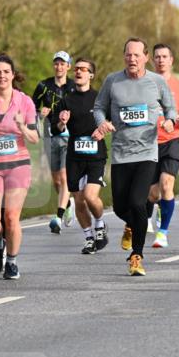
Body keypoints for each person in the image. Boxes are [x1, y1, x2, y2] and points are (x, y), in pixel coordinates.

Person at [92, 37, 177, 276]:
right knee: (121, 207)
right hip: (121, 153)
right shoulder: (113, 81)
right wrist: (102, 123)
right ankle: (132, 224)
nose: (132, 59)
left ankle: (136, 256)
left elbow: (170, 108)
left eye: (137, 55)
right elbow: (99, 107)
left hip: (147, 152)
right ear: (124, 57)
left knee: (138, 203)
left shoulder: (157, 81)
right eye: (128, 54)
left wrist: (170, 121)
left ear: (146, 57)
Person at [0, 55, 40, 279]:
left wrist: (22, 127)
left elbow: (35, 138)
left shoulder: (25, 101)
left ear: (13, 75)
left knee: (11, 217)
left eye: (6, 72)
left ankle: (12, 262)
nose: (1, 76)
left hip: (17, 165)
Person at [58, 57, 109, 254]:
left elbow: (112, 121)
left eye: (83, 69)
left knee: (90, 196)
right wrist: (62, 123)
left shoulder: (100, 99)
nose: (78, 72)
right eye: (76, 69)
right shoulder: (66, 100)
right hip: (75, 157)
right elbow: (55, 127)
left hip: (96, 156)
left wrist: (102, 130)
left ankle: (100, 224)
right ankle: (89, 238)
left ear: (91, 75)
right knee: (79, 201)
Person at [146, 43, 179, 249]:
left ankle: (162, 232)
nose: (161, 60)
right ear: (152, 60)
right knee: (152, 194)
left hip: (171, 141)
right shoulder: (144, 84)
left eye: (165, 56)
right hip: (148, 143)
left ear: (171, 60)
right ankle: (154, 210)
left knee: (166, 185)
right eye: (157, 57)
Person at [32, 51, 76, 233]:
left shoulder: (74, 86)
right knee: (57, 181)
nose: (59, 67)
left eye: (62, 64)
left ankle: (58, 216)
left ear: (68, 66)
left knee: (65, 176)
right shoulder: (43, 85)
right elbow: (30, 108)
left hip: (70, 136)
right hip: (50, 135)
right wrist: (40, 114)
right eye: (56, 63)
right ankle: (68, 204)